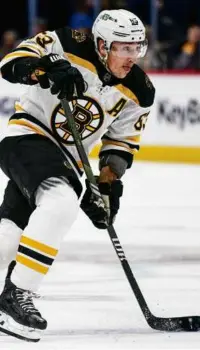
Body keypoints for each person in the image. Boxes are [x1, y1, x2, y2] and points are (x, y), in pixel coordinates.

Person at [0, 8, 155, 342]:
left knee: (7, 242)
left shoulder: (140, 90)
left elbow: (120, 144)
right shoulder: (68, 42)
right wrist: (47, 67)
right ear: (101, 45)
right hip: (28, 137)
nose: (132, 57)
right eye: (123, 48)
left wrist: (106, 187)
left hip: (67, 161)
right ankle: (17, 294)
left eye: (137, 48)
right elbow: (11, 62)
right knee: (60, 202)